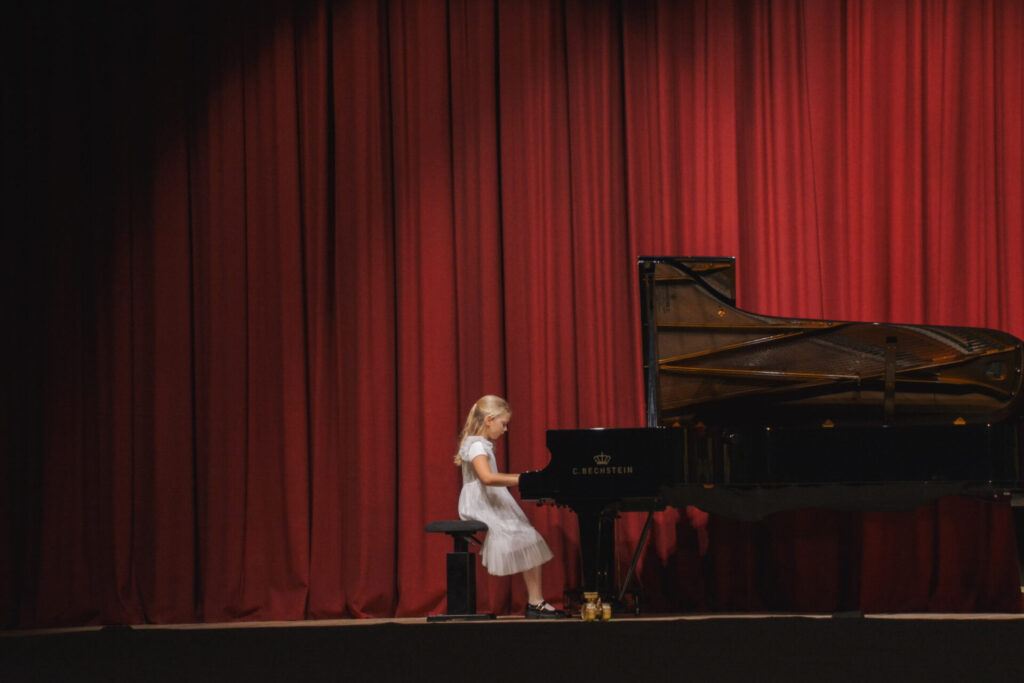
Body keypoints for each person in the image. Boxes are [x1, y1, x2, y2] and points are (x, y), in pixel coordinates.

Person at [454, 395, 566, 619]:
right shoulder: (476, 445)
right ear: (489, 420)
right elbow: (487, 478)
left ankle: (535, 601)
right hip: (479, 502)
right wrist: (524, 479)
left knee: (528, 536)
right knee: (527, 536)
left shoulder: (481, 443)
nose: (505, 430)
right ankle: (536, 602)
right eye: (503, 424)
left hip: (489, 498)